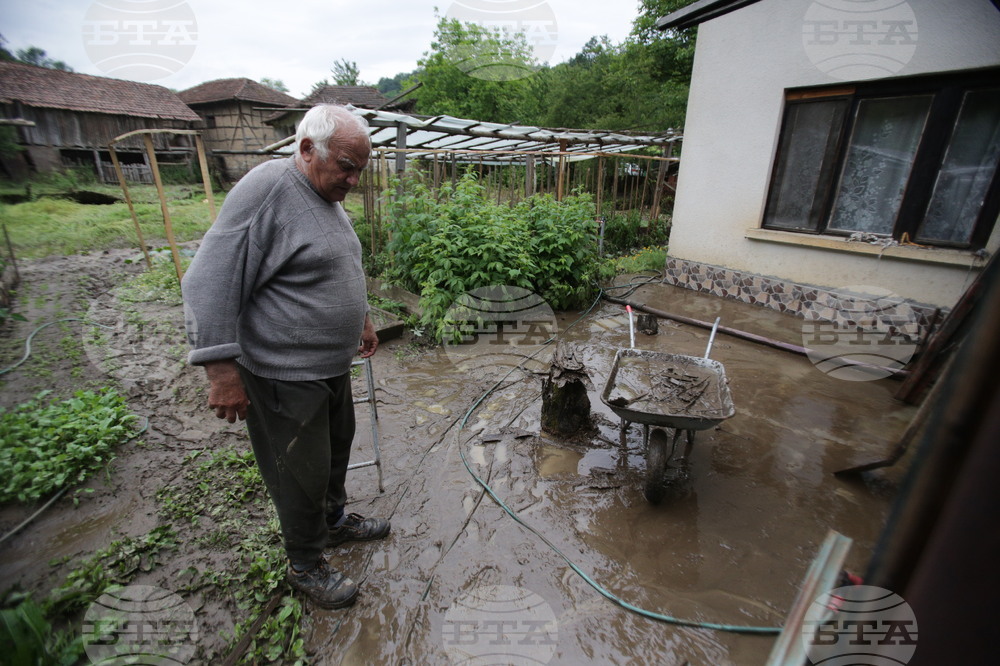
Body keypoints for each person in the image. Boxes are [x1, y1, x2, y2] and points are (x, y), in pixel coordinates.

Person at [182, 104, 389, 609]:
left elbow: (339, 261)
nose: (353, 179)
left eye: (359, 168)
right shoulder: (268, 189)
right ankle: (304, 563)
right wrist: (221, 369)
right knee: (300, 471)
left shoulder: (326, 193)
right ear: (306, 149)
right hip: (283, 373)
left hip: (328, 365)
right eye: (346, 165)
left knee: (336, 449)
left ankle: (334, 523)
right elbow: (207, 280)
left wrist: (359, 316)